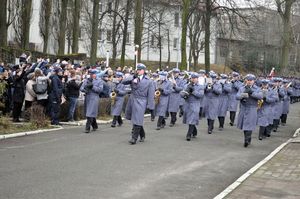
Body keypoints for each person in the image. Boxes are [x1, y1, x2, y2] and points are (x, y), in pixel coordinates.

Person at [123, 63, 155, 145]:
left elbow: (151, 95)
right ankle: (142, 134)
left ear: (143, 71)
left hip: (142, 100)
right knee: (135, 118)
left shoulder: (149, 81)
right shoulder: (133, 77)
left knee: (137, 118)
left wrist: (151, 107)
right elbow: (123, 82)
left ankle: (134, 138)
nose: (138, 71)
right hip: (132, 99)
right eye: (137, 70)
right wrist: (132, 76)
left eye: (140, 70)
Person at [236, 74, 263, 147]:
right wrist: (244, 94)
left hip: (252, 108)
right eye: (248, 80)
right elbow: (237, 96)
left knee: (249, 125)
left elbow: (260, 96)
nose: (249, 82)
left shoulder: (257, 88)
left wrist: (252, 92)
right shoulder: (242, 88)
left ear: (254, 81)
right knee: (245, 125)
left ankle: (247, 139)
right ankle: (246, 138)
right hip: (244, 107)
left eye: (251, 80)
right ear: (246, 80)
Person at [181, 73, 205, 141]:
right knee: (189, 119)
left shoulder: (200, 86)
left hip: (195, 103)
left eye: (195, 78)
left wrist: (193, 91)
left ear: (197, 79)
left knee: (192, 118)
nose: (193, 79)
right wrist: (184, 94)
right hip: (187, 103)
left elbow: (201, 95)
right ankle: (194, 131)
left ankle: (188, 134)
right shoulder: (186, 85)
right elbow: (182, 93)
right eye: (192, 78)